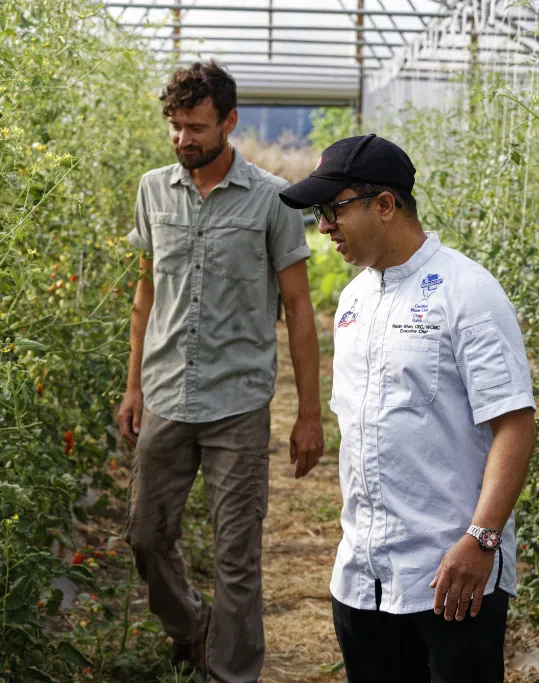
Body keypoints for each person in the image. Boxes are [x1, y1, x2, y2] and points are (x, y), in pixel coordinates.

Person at [278, 134, 537, 683]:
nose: (322, 226)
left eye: (332, 209)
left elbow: (514, 423)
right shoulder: (353, 302)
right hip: (362, 575)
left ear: (385, 205)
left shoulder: (467, 294)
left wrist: (482, 539)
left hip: (451, 576)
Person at [118, 61, 324, 683]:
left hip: (237, 402)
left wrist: (309, 415)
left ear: (229, 123)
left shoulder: (272, 200)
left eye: (197, 127)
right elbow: (144, 297)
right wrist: (133, 387)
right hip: (165, 397)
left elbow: (298, 309)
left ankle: (230, 673)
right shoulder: (154, 190)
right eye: (176, 127)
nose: (184, 139)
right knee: (145, 536)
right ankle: (190, 626)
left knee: (237, 555)